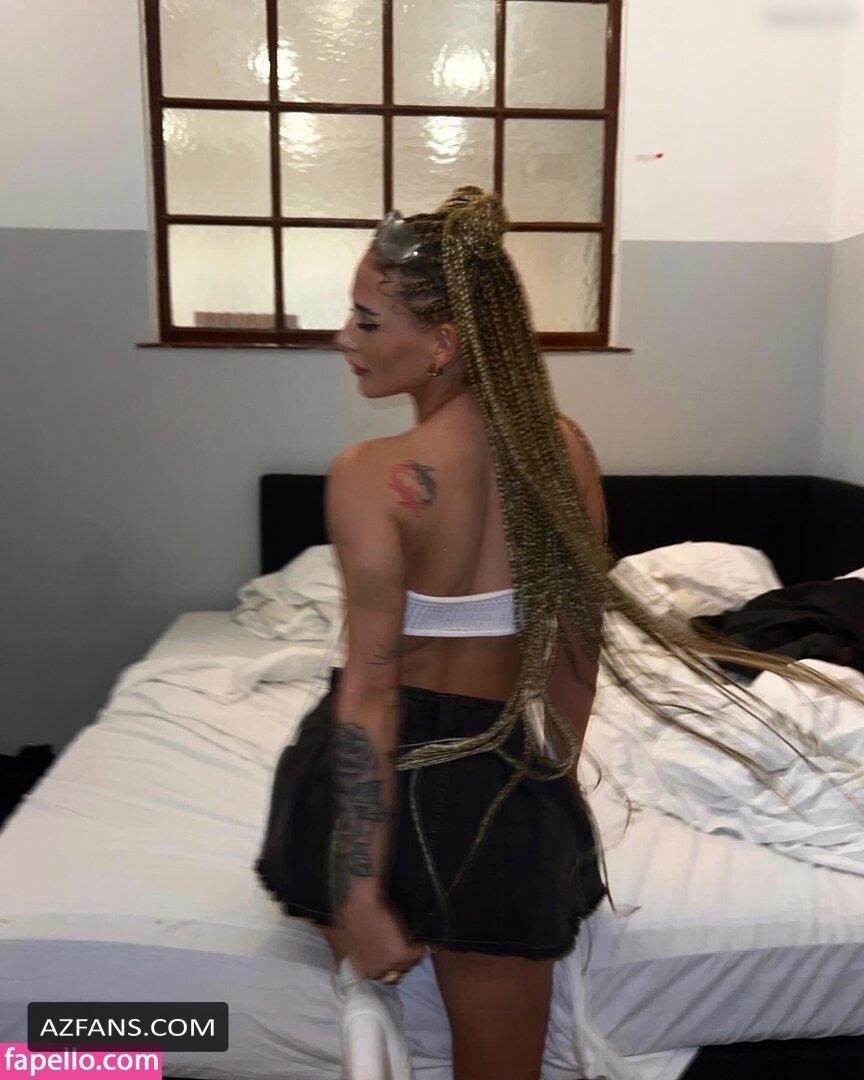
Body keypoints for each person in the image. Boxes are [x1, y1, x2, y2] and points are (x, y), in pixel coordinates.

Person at [255, 185, 864, 1080]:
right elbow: (579, 651)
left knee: (332, 889)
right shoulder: (563, 451)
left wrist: (360, 896)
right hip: (496, 773)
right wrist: (546, 793)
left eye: (366, 320)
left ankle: (364, 986)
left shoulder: (369, 473)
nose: (344, 338)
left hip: (388, 769)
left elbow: (371, 692)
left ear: (442, 344)